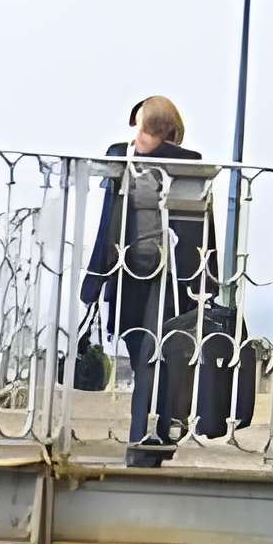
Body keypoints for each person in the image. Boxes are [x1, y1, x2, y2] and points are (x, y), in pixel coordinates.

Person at [79, 95, 217, 466]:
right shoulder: (122, 160)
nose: (135, 135)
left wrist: (206, 283)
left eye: (143, 129)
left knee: (153, 360)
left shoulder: (187, 169)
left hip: (168, 281)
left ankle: (144, 445)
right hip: (129, 275)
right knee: (145, 357)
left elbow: (202, 228)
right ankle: (151, 440)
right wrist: (93, 283)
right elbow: (107, 222)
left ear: (165, 135)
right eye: (136, 126)